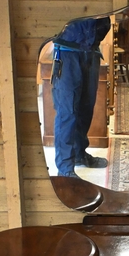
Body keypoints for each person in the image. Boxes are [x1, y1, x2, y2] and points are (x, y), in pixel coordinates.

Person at [51, 17, 111, 178]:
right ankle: (65, 169)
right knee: (67, 112)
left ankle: (79, 154)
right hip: (66, 53)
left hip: (91, 52)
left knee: (86, 108)